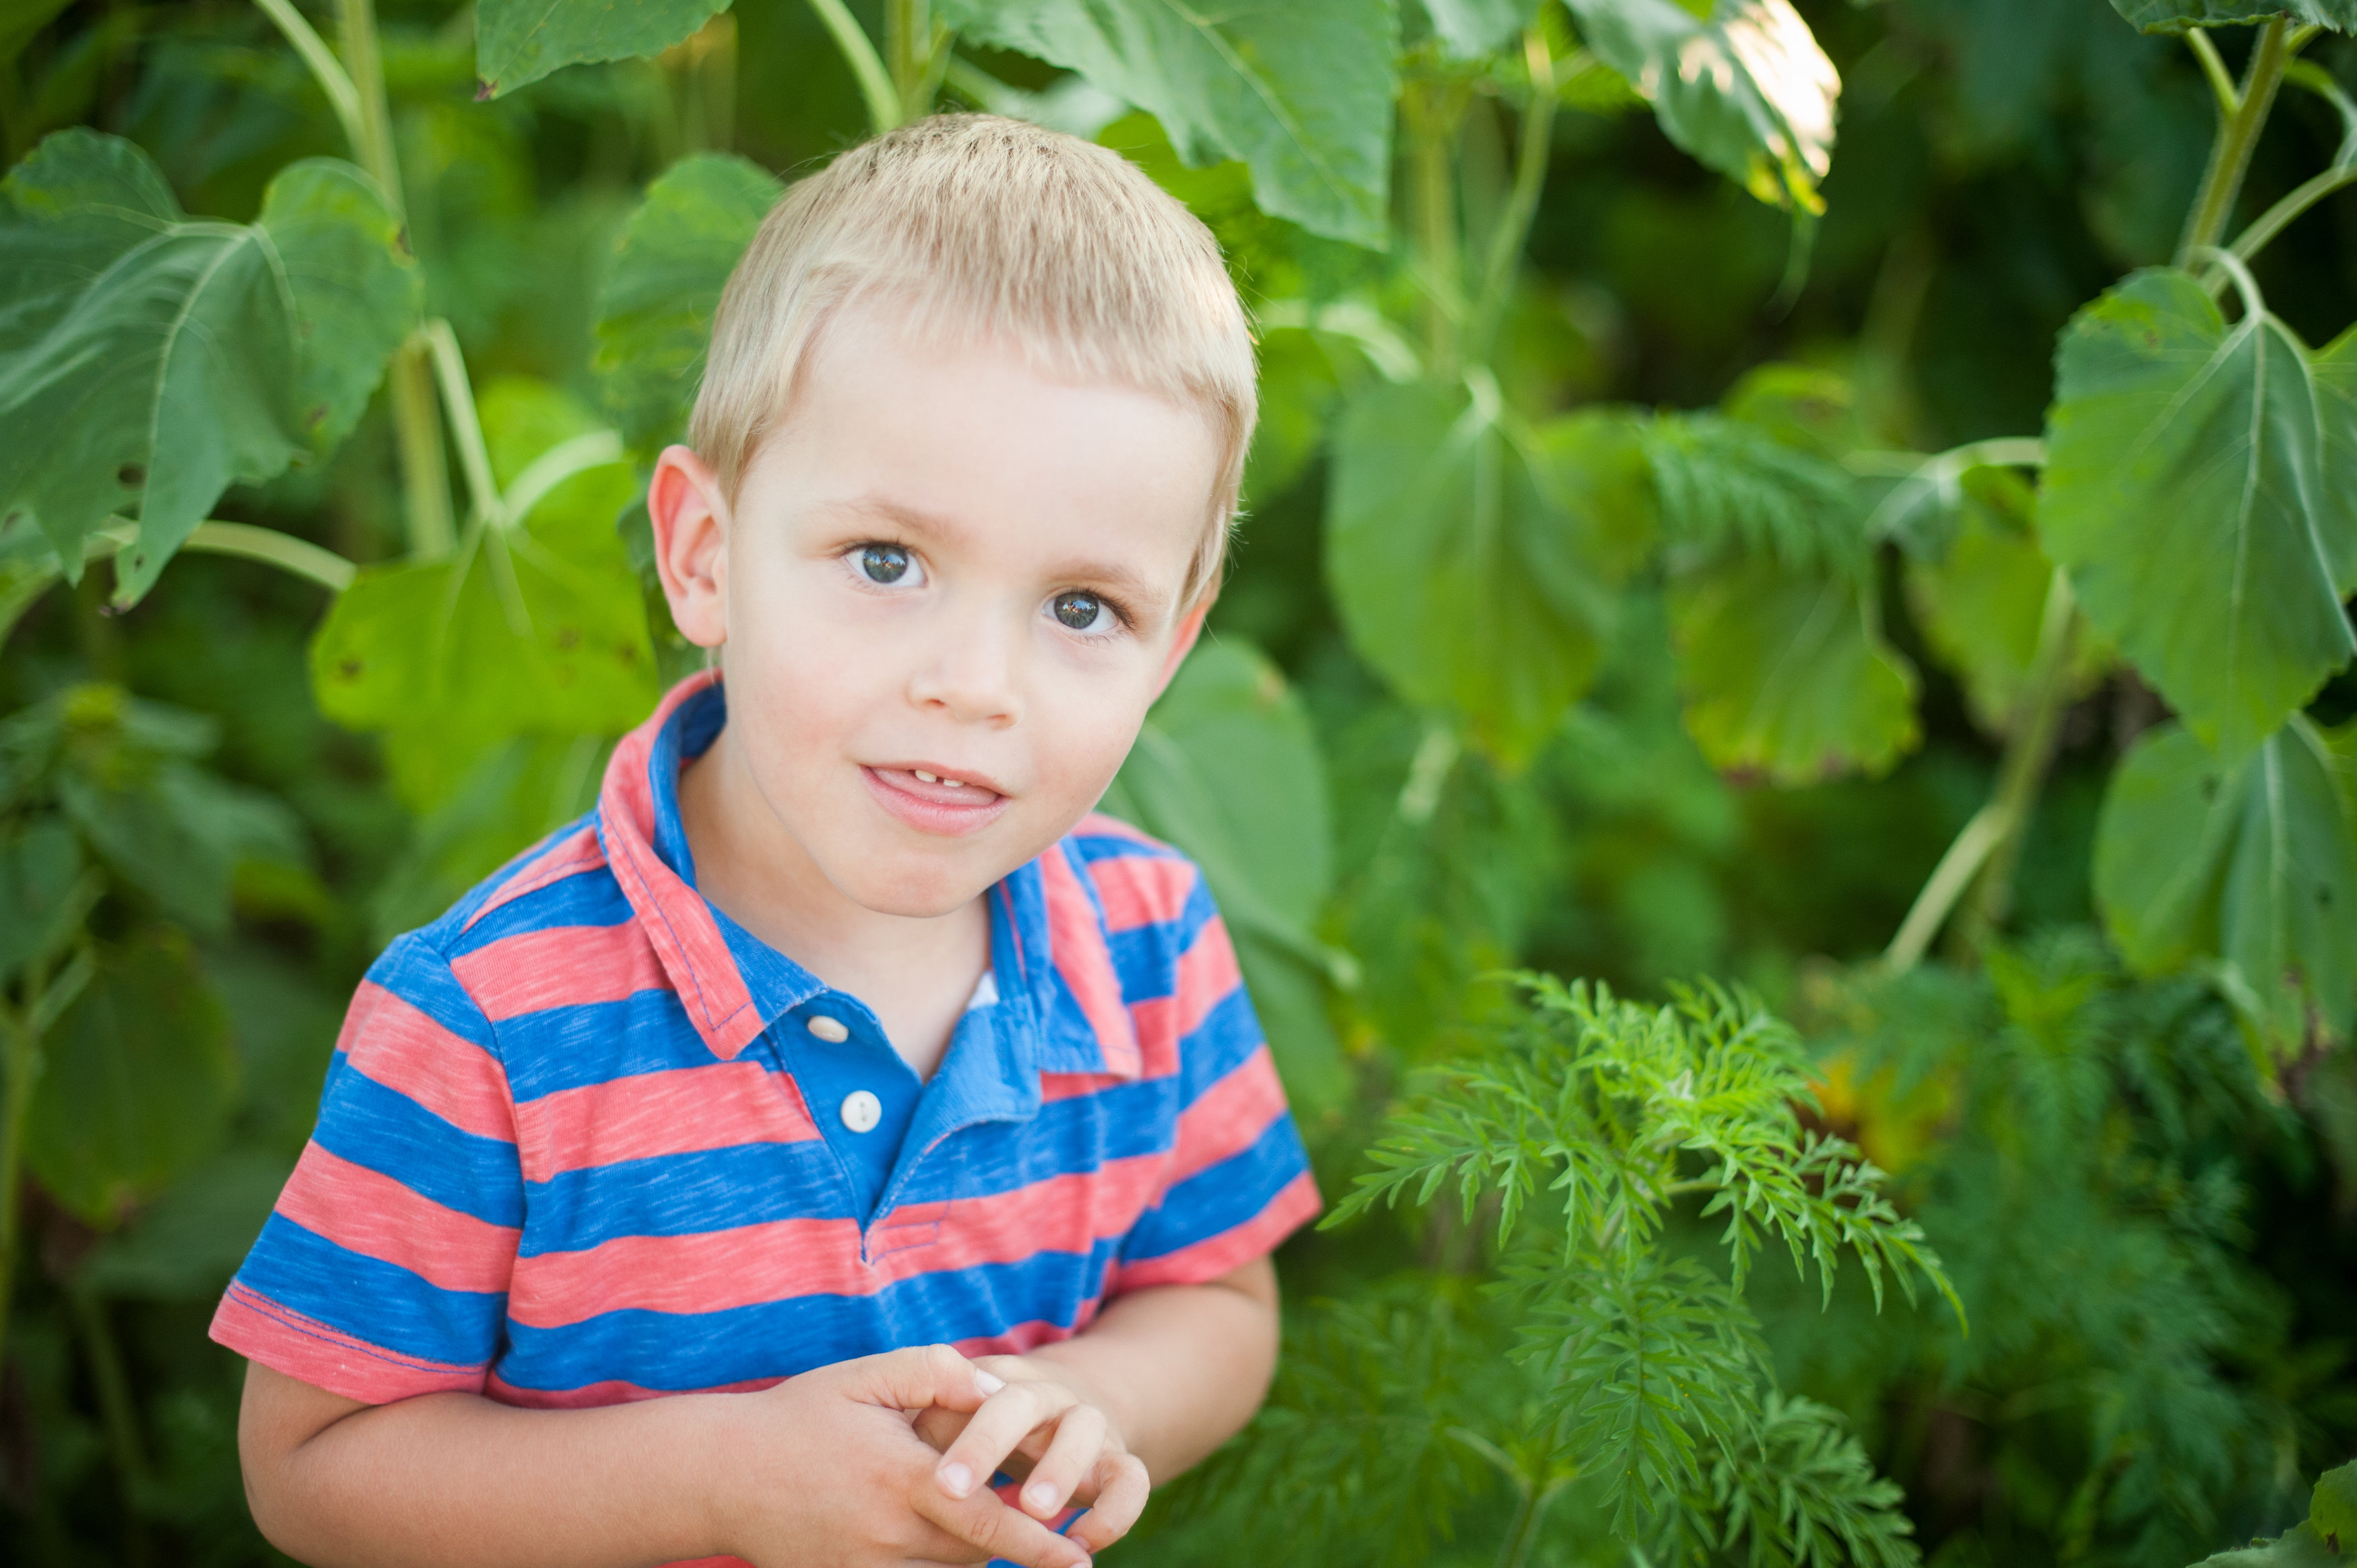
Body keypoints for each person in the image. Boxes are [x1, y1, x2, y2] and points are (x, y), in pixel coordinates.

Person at [215, 113, 1319, 1568]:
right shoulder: (492, 1020)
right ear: (702, 555)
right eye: (886, 562)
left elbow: (1221, 1303)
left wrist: (1086, 1399)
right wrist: (723, 1480)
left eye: (1079, 609)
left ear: (1171, 646)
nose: (974, 685)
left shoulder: (1150, 945)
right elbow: (313, 1465)